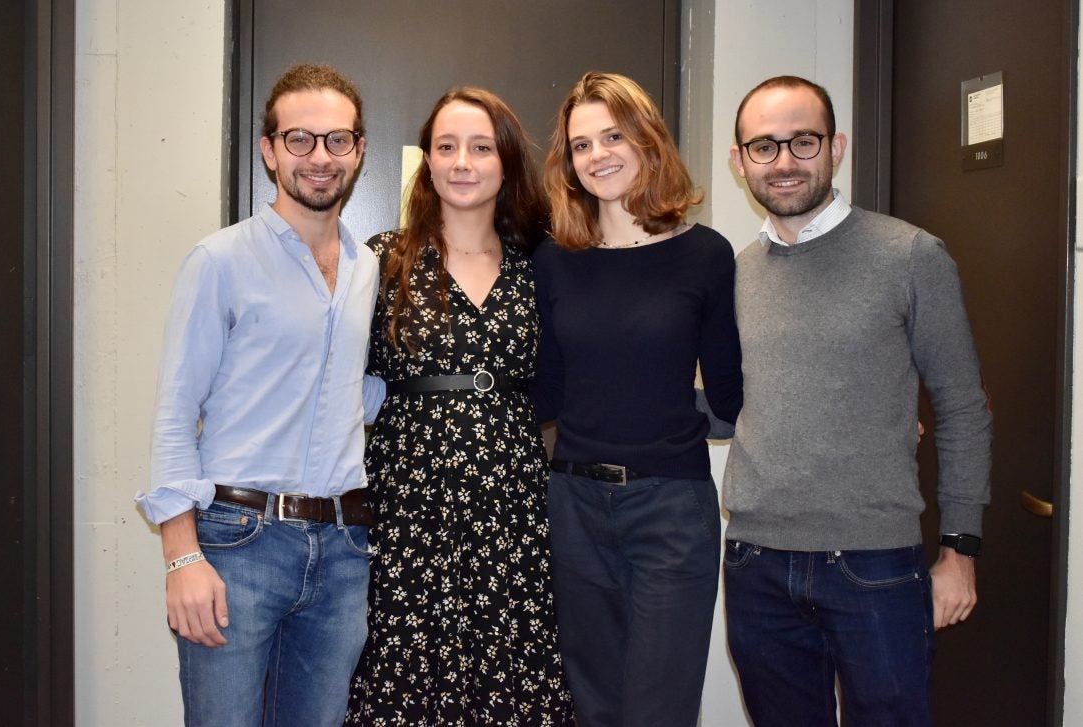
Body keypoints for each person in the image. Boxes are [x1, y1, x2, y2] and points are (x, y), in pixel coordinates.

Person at [722, 75, 993, 726]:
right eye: (764, 146)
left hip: (874, 566)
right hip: (757, 564)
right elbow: (748, 397)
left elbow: (962, 408)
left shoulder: (910, 256)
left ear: (836, 147)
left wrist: (960, 552)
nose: (784, 161)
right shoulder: (734, 273)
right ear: (739, 162)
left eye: (803, 141)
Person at [136, 64, 379, 727]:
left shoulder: (367, 269)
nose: (319, 158)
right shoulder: (219, 261)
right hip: (238, 543)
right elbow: (176, 412)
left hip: (342, 551)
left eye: (337, 140)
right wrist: (182, 555)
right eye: (300, 139)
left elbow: (350, 389)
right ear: (269, 150)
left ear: (359, 151)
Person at [345, 87, 574, 726]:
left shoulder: (540, 265)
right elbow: (340, 380)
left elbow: (559, 381)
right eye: (446, 147)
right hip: (406, 508)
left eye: (480, 147)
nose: (463, 162)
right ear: (427, 160)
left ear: (505, 161)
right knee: (404, 678)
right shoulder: (384, 257)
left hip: (511, 508)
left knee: (512, 675)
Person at [533, 71, 743, 727]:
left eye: (613, 136)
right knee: (591, 704)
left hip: (670, 512)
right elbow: (544, 393)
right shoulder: (552, 260)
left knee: (657, 710)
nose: (598, 156)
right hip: (573, 506)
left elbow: (734, 395)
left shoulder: (705, 255)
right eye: (582, 145)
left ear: (648, 140)